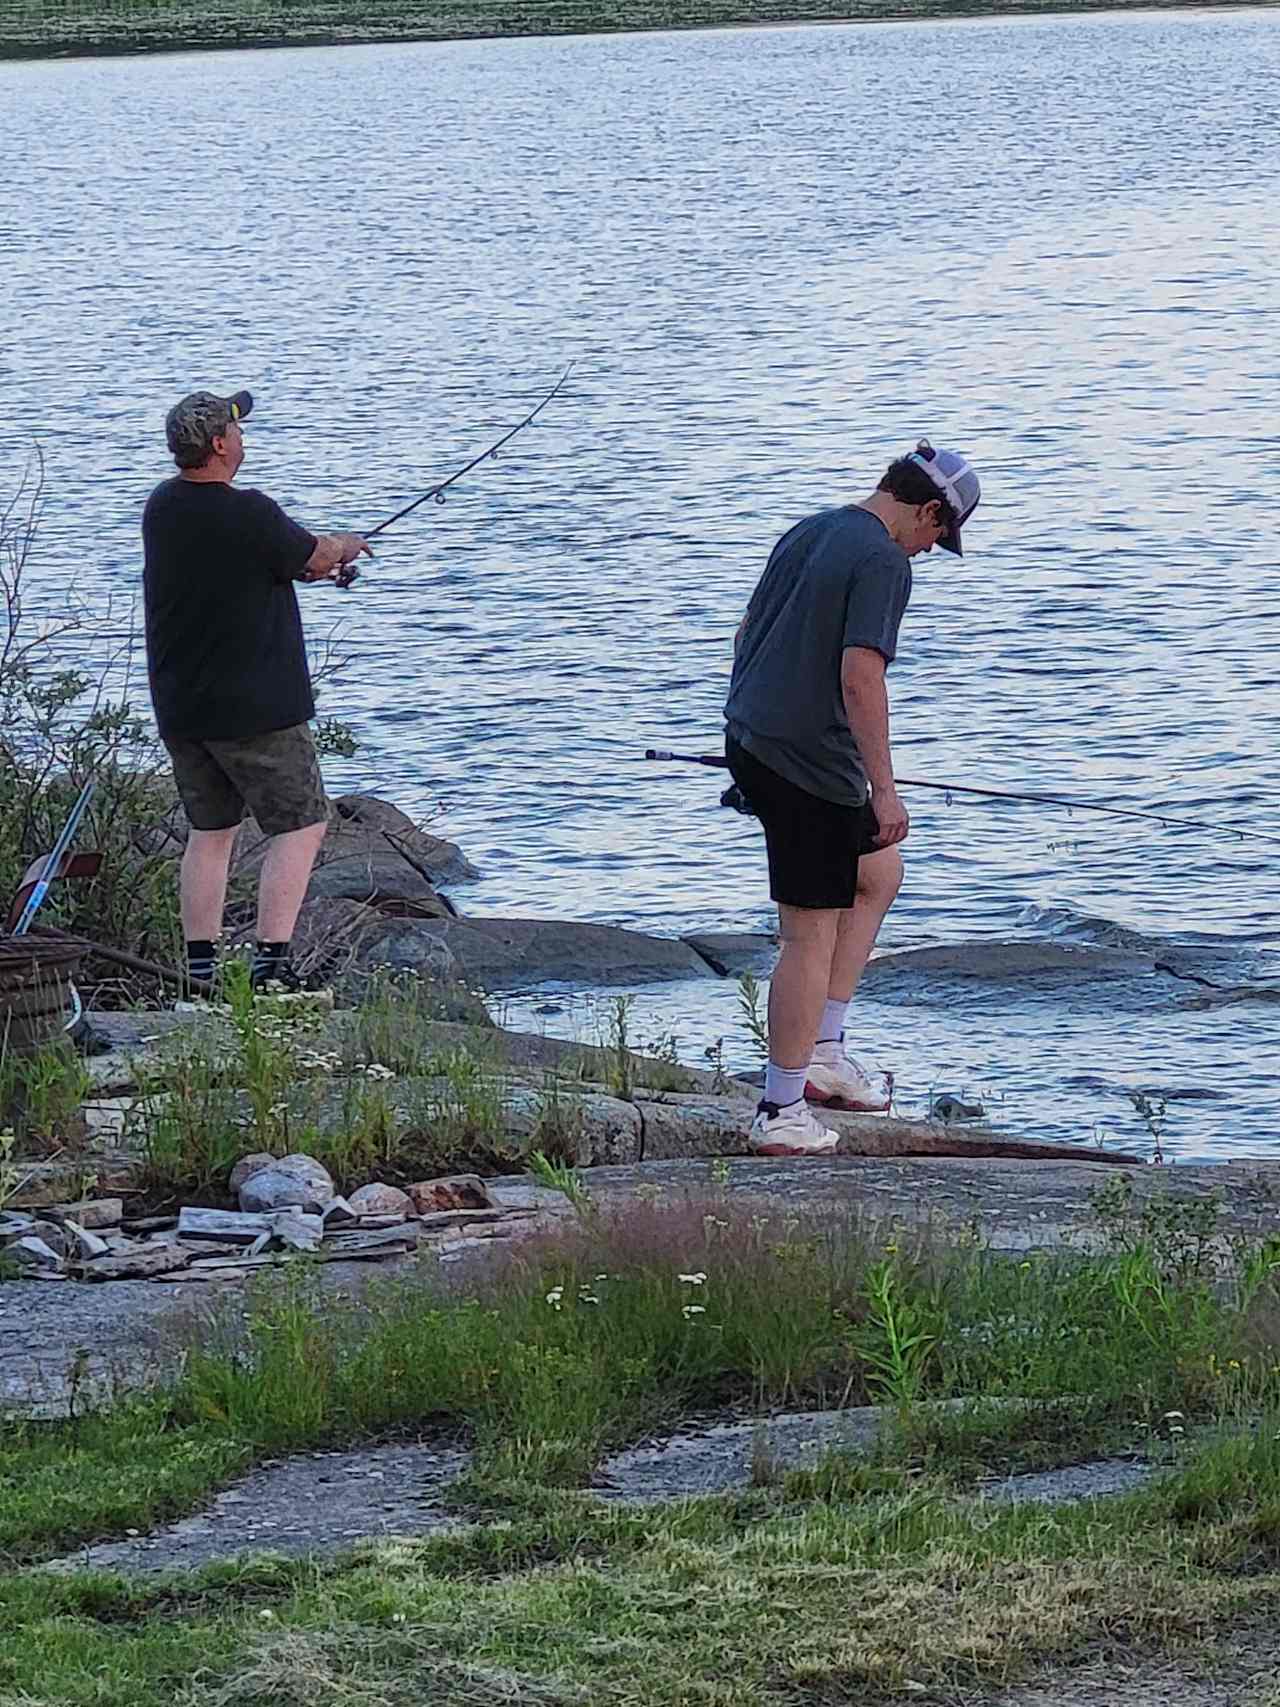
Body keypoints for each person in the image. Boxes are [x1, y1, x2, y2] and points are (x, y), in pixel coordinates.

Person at [725, 440, 981, 1157]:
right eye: (940, 535)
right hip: (806, 764)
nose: (932, 550)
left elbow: (748, 634)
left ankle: (827, 1051)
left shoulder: (812, 527)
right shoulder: (883, 560)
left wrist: (751, 729)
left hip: (756, 738)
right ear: (927, 510)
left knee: (878, 870)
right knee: (809, 931)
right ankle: (780, 1108)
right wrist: (886, 790)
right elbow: (861, 678)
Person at [142, 388, 371, 993]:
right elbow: (316, 555)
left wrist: (310, 566)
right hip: (256, 711)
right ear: (219, 444)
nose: (243, 439)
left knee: (210, 833)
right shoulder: (251, 513)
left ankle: (200, 976)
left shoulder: (162, 508)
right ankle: (271, 967)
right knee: (300, 824)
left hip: (185, 708)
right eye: (236, 431)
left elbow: (269, 563)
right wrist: (345, 548)